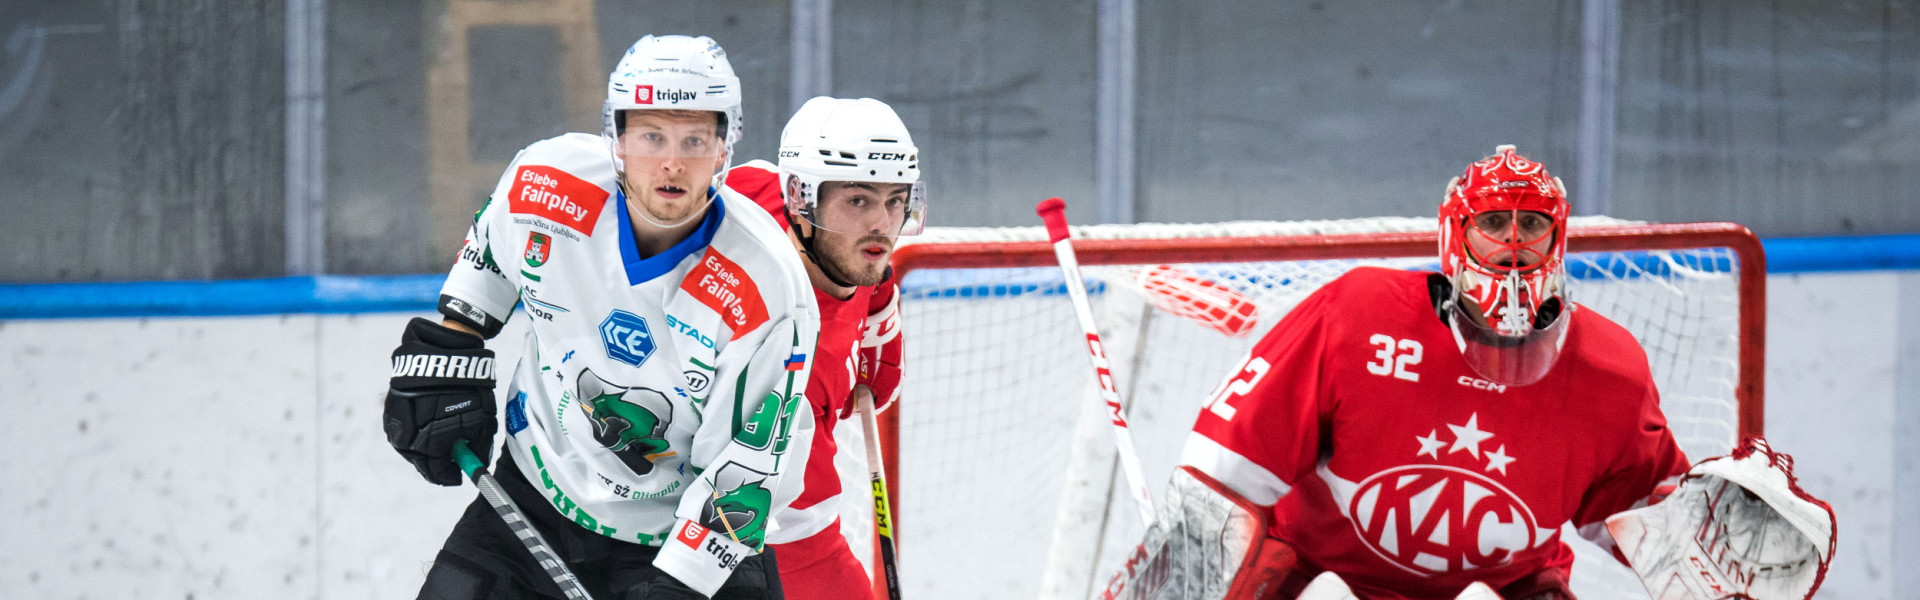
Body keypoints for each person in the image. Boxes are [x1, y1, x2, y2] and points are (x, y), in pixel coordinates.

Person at [383, 34, 819, 600]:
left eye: (694, 139)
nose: (671, 162)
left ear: (724, 147)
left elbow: (744, 472)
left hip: (675, 544)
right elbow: (491, 252)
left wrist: (682, 585)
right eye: (651, 136)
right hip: (530, 501)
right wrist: (456, 339)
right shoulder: (547, 183)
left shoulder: (765, 286)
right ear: (616, 136)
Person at [1181, 145, 1689, 599]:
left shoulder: (1609, 369)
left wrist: (1723, 552)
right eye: (1492, 224)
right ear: (1453, 234)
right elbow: (1224, 474)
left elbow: (1661, 528)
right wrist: (1177, 581)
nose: (1513, 243)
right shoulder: (1355, 319)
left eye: (1531, 224)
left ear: (1558, 236)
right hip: (1324, 576)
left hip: (1504, 590)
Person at [722, 96, 920, 600]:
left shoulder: (754, 192)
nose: (882, 225)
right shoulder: (794, 370)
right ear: (802, 200)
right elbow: (793, 540)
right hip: (756, 536)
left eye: (894, 200)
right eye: (858, 200)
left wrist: (877, 300)